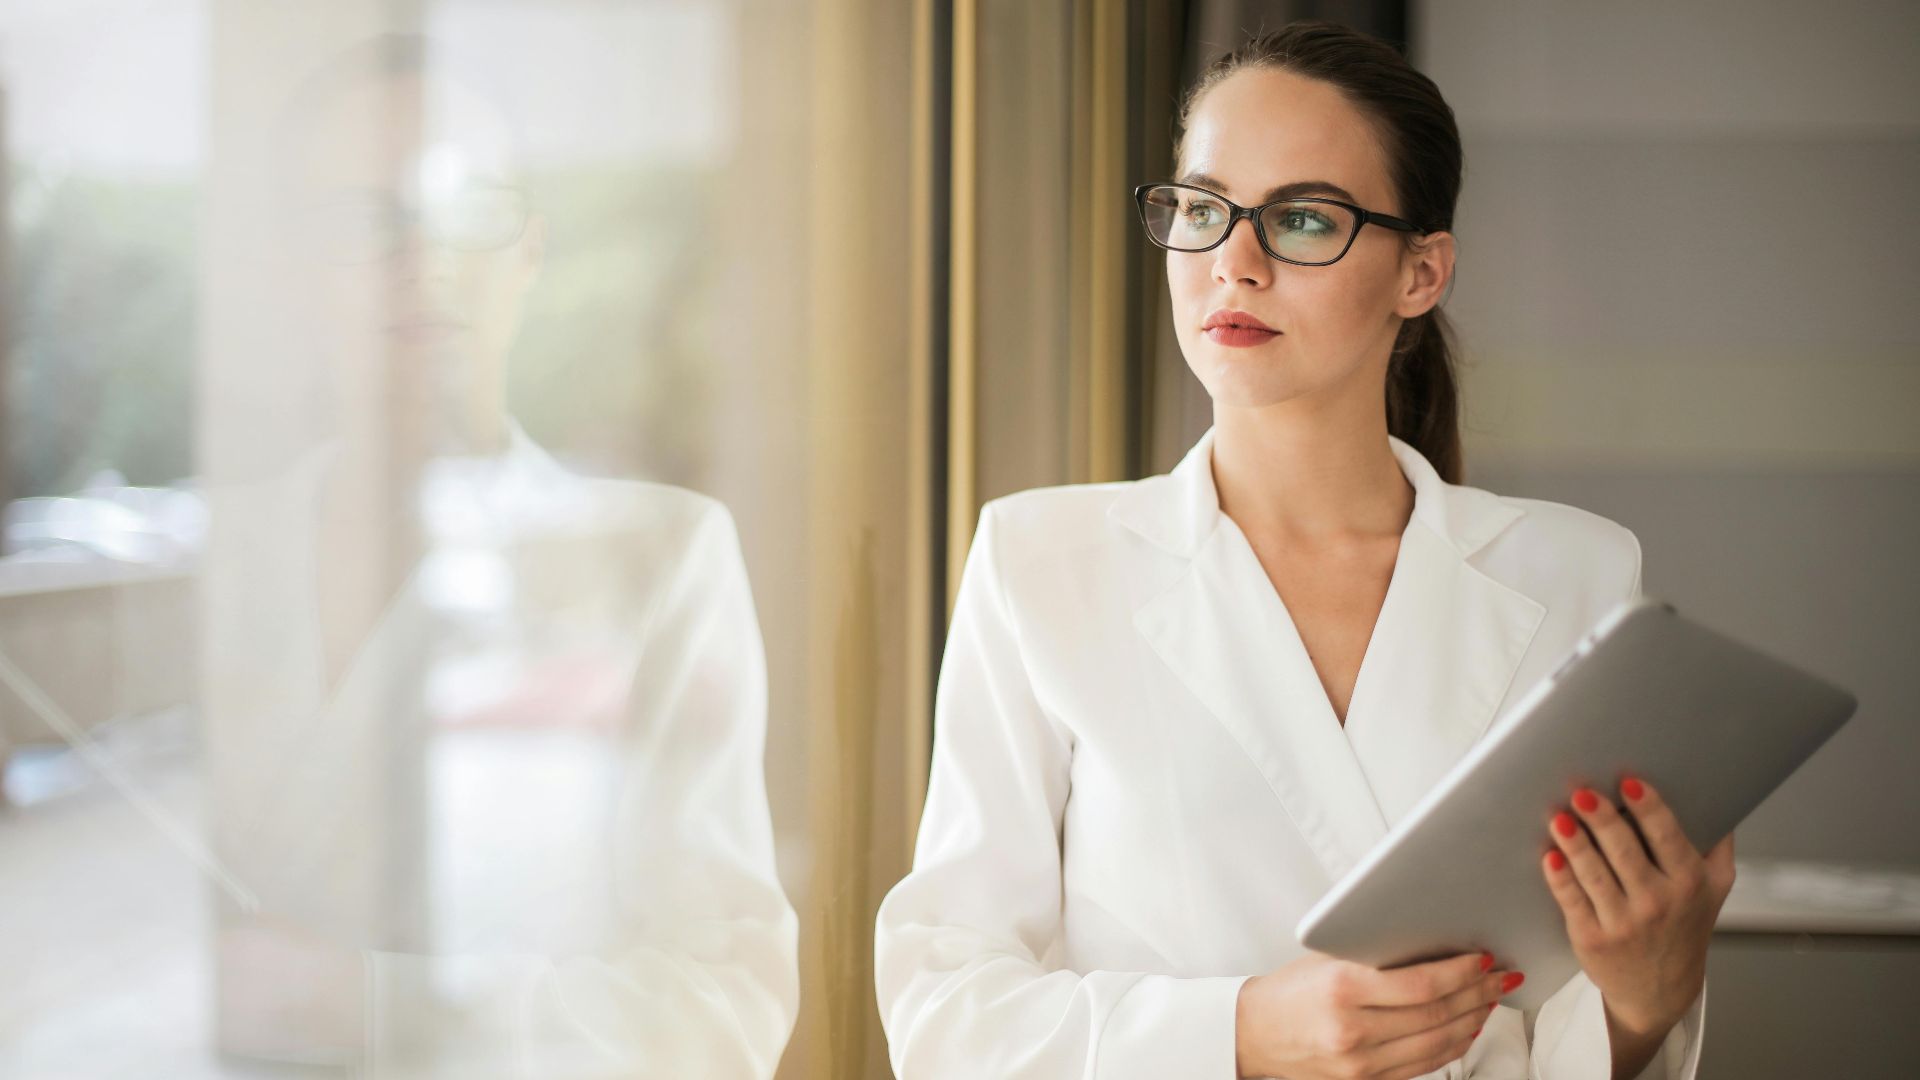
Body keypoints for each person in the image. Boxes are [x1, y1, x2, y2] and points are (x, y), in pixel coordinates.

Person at [874, 21, 1732, 1080]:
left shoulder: (1578, 576)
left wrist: (1646, 1000)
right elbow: (944, 1013)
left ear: (1422, 273)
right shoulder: (1039, 561)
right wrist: (1240, 1032)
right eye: (1201, 207)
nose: (1233, 262)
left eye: (1304, 219)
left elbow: (1571, 1022)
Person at [205, 33, 798, 1077]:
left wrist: (390, 1012)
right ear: (293, 276)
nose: (420, 260)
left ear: (524, 254)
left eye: (464, 211)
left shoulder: (661, 560)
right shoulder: (209, 564)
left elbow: (726, 1004)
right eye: (363, 222)